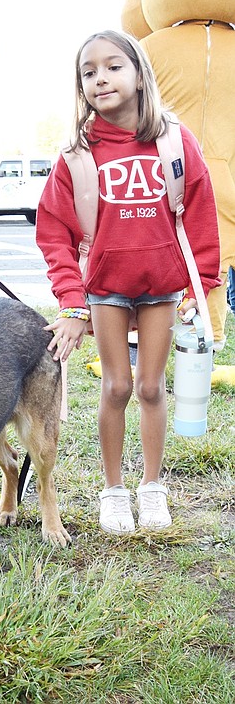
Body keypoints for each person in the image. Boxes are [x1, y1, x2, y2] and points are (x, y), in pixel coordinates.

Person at [36, 30, 221, 536]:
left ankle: (153, 487)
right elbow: (53, 231)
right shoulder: (77, 154)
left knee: (150, 387)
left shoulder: (175, 142)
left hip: (161, 287)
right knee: (116, 386)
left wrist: (197, 287)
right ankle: (114, 491)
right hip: (106, 288)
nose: (100, 78)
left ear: (139, 74)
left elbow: (201, 217)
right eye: (88, 71)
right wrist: (73, 303)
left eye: (113, 66)